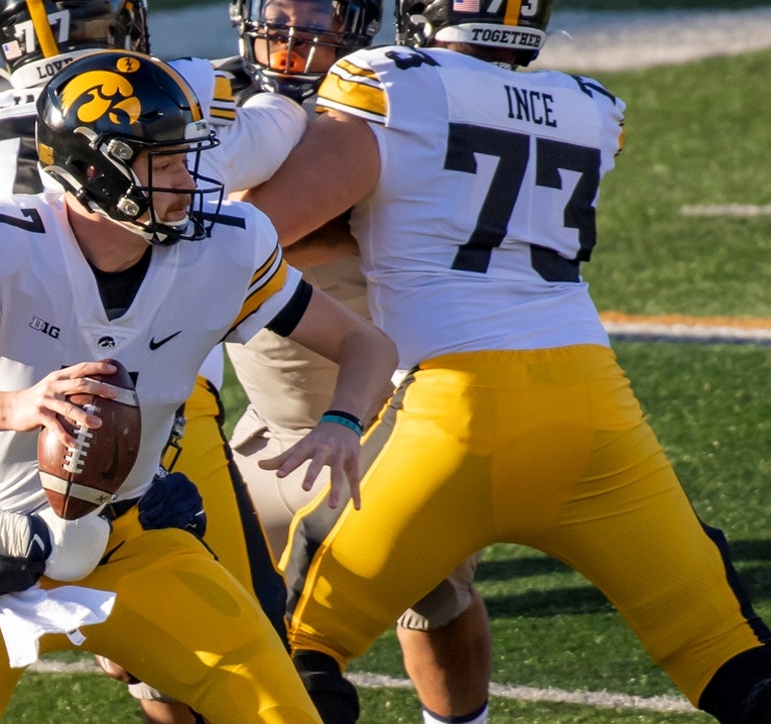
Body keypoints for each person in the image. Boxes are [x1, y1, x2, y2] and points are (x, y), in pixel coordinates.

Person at [238, 2, 771, 723]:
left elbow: (257, 234)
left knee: (298, 649)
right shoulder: (589, 107)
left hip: (454, 417)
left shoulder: (391, 84)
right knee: (728, 650)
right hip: (596, 414)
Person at [0, 49, 398, 723]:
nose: (187, 181)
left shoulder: (227, 244)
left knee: (281, 713)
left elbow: (365, 343)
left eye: (185, 158)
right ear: (92, 171)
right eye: (162, 163)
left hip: (129, 534)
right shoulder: (3, 243)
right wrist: (20, 406)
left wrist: (341, 423)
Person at [0, 2, 311, 720]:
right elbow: (273, 130)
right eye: (165, 159)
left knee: (255, 677)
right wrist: (282, 93)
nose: (187, 178)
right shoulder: (177, 86)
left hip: (121, 441)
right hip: (21, 465)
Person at [225, 1, 494, 722]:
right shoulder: (210, 101)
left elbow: (251, 234)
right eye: (280, 16)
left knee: (434, 590)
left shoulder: (379, 106)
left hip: (385, 407)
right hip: (270, 422)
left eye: (318, 18)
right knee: (184, 586)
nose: (295, 37)